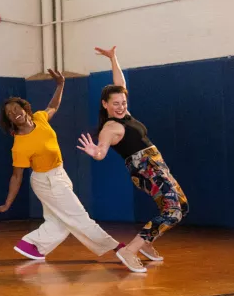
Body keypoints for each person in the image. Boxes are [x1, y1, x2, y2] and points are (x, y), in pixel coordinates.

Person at [0, 69, 131, 270]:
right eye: (9, 113)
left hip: (59, 174)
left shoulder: (39, 118)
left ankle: (31, 245)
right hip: (46, 181)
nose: (14, 113)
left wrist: (60, 84)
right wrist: (7, 203)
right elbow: (16, 176)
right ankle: (115, 247)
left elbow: (53, 105)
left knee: (61, 220)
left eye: (16, 108)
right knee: (78, 215)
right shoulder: (19, 145)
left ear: (24, 108)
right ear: (10, 120)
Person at [77, 46, 189, 274]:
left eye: (123, 103)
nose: (121, 106)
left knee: (182, 206)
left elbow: (121, 86)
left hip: (157, 165)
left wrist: (113, 58)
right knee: (173, 211)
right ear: (105, 105)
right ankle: (130, 250)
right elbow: (101, 153)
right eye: (115, 103)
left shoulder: (125, 115)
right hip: (145, 169)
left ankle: (147, 243)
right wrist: (94, 152)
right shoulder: (110, 127)